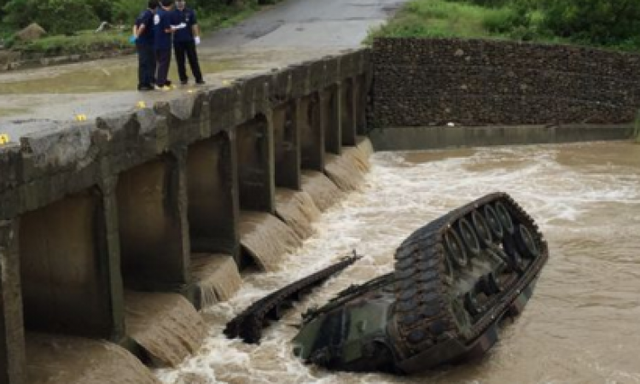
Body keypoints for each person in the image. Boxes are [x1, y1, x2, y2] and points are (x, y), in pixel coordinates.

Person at [171, 0, 205, 85]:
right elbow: (168, 26)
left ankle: (198, 78)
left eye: (181, 1)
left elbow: (194, 24)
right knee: (180, 61)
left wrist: (196, 36)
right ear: (175, 2)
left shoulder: (190, 12)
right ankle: (183, 79)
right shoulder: (172, 13)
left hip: (189, 39)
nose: (179, 2)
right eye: (178, 1)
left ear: (184, 1)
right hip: (177, 41)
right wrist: (175, 27)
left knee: (193, 59)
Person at [133, 0, 158, 91]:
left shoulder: (142, 13)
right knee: (148, 63)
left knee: (143, 62)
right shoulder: (149, 14)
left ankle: (146, 82)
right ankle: (145, 84)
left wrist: (135, 36)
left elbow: (135, 25)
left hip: (141, 42)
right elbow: (142, 26)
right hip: (147, 43)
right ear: (156, 8)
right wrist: (138, 36)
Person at [153, 0, 177, 90]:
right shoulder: (166, 14)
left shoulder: (157, 12)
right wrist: (174, 29)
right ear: (171, 5)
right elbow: (167, 29)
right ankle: (160, 85)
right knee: (164, 63)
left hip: (156, 42)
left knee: (160, 63)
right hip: (164, 43)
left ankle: (162, 80)